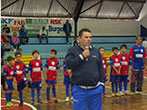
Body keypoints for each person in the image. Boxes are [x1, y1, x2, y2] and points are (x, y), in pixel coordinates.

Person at [65, 28, 105, 110]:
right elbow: (69, 64)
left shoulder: (95, 51)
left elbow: (100, 68)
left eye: (90, 37)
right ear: (79, 38)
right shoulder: (72, 50)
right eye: (86, 37)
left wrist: (102, 84)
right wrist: (81, 56)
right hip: (79, 90)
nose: (89, 39)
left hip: (96, 91)